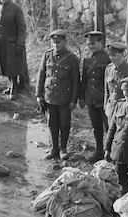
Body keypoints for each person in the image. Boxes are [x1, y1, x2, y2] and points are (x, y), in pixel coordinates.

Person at [36, 29, 80, 160]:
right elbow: (41, 75)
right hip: (50, 96)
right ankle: (54, 148)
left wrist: (73, 99)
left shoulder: (72, 58)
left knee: (65, 123)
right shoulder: (47, 55)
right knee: (52, 123)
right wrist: (39, 95)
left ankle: (63, 148)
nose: (56, 45)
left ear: (64, 42)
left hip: (65, 98)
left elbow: (76, 81)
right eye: (54, 42)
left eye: (59, 42)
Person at [79, 31, 112, 163]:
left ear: (100, 43)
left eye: (93, 44)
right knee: (96, 126)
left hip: (105, 99)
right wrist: (81, 97)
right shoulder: (87, 59)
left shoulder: (107, 58)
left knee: (108, 127)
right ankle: (99, 150)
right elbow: (84, 80)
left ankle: (110, 152)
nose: (90, 46)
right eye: (88, 44)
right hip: (91, 98)